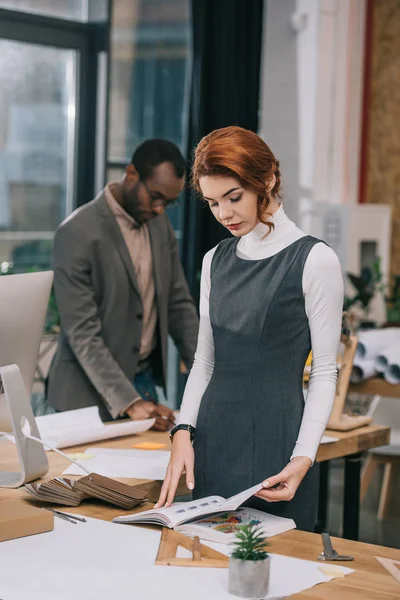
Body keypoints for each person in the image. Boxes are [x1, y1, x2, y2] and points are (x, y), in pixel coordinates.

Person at [157, 126, 344, 531]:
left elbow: (326, 370)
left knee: (276, 574)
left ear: (268, 181)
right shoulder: (215, 260)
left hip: (279, 442)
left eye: (233, 197)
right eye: (212, 202)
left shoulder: (314, 260)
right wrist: (182, 431)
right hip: (212, 440)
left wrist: (303, 457)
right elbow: (204, 361)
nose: (224, 213)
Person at [46, 139, 199, 431]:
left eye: (169, 202)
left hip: (142, 383)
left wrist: (205, 371)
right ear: (131, 174)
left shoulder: (160, 224)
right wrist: (128, 402)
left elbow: (178, 303)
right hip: (83, 396)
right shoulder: (76, 232)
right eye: (154, 197)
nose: (159, 209)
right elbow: (82, 332)